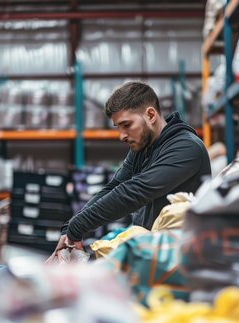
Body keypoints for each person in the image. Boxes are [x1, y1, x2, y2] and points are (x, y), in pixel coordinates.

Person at [47, 81, 211, 261]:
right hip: (152, 254)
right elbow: (114, 186)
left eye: (127, 125)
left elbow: (134, 191)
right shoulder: (143, 148)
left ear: (150, 115)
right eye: (118, 127)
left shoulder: (186, 147)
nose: (122, 136)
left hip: (182, 258)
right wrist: (69, 228)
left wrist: (77, 228)